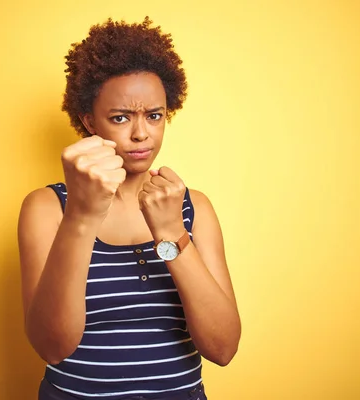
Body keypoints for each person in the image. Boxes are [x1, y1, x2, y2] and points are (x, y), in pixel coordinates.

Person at [18, 17, 241, 400]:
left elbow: (222, 348)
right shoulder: (48, 208)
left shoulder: (194, 207)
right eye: (120, 117)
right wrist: (83, 216)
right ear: (89, 121)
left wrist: (172, 233)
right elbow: (53, 346)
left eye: (154, 115)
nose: (141, 134)